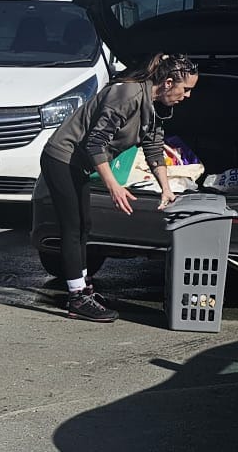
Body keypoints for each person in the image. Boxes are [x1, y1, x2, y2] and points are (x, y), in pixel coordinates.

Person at [39, 52, 200, 323]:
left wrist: (166, 188)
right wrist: (113, 186)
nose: (187, 96)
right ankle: (77, 297)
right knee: (72, 226)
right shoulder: (127, 96)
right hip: (61, 157)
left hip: (78, 164)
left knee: (84, 225)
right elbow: (94, 143)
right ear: (169, 82)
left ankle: (83, 288)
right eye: (186, 89)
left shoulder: (155, 105)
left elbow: (153, 148)